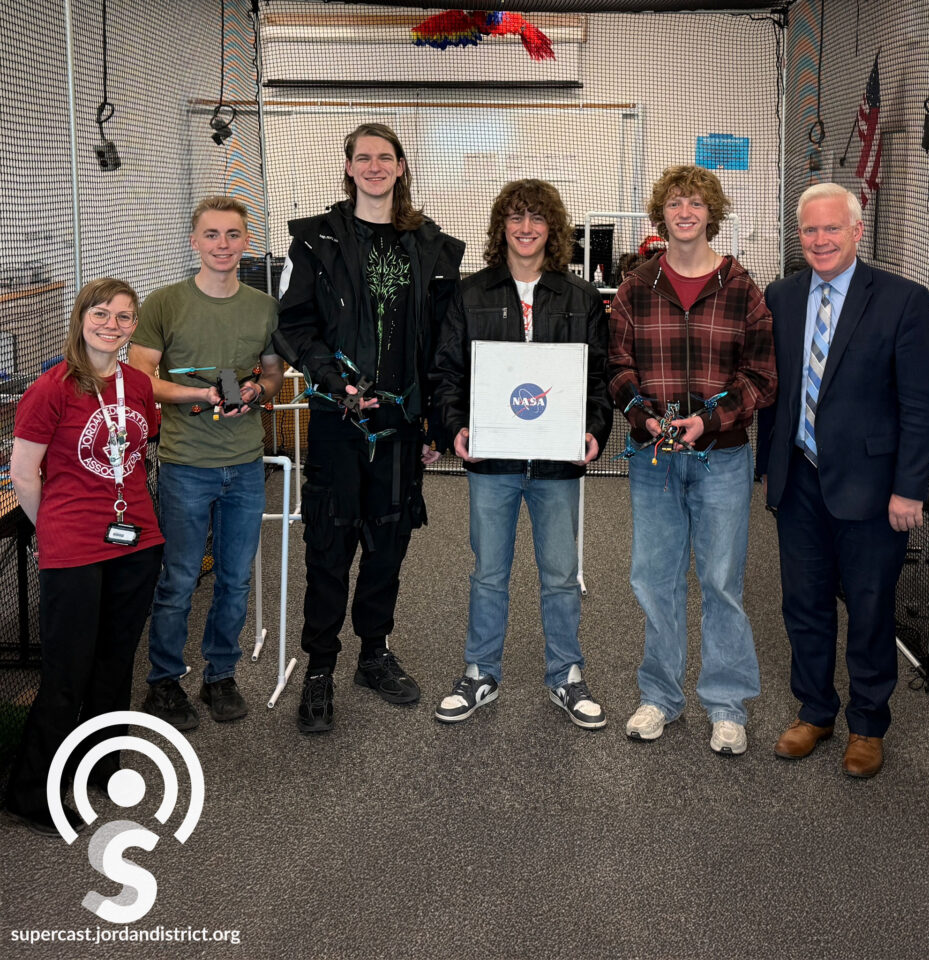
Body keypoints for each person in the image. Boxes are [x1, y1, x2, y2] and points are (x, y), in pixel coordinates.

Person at [274, 122, 464, 733]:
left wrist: (436, 421)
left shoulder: (433, 248)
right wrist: (333, 379)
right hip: (337, 419)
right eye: (364, 158)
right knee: (329, 540)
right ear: (349, 168)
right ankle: (321, 665)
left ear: (402, 167)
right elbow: (293, 326)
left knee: (388, 539)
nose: (375, 167)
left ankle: (373, 652)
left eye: (386, 157)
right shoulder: (316, 241)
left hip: (403, 424)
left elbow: (441, 344)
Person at [758, 183, 929, 778]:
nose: (820, 240)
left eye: (832, 229)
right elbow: (772, 392)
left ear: (858, 231)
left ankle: (868, 723)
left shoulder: (903, 300)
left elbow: (921, 405)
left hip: (872, 485)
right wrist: (767, 468)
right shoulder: (781, 297)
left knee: (868, 608)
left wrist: (910, 487)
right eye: (810, 230)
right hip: (800, 480)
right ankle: (814, 711)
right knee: (803, 605)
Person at [608, 164, 777, 755]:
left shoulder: (741, 288)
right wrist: (643, 416)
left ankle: (726, 705)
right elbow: (619, 370)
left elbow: (760, 378)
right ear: (663, 214)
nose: (685, 212)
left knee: (721, 582)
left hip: (722, 460)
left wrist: (710, 419)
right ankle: (660, 697)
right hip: (651, 457)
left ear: (712, 212)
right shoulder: (636, 286)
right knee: (654, 580)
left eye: (696, 203)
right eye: (675, 203)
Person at [431, 179, 612, 728]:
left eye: (537, 217)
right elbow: (447, 373)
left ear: (552, 228)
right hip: (494, 463)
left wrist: (595, 431)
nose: (526, 227)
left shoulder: (579, 297)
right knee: (489, 572)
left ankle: (566, 676)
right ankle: (480, 672)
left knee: (560, 575)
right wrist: (455, 427)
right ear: (501, 227)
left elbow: (599, 379)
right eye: (516, 216)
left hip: (556, 464)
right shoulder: (470, 294)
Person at [4, 278, 164, 835]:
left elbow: (137, 453)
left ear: (133, 326)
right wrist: (56, 529)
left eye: (124, 317)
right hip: (74, 549)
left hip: (137, 541)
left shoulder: (139, 385)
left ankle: (96, 761)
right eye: (102, 313)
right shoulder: (50, 389)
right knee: (67, 672)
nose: (112, 324)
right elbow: (23, 474)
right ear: (81, 318)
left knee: (116, 661)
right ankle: (30, 792)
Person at [128, 196, 282, 730]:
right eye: (212, 235)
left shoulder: (263, 308)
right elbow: (141, 379)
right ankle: (164, 682)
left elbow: (271, 375)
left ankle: (220, 675)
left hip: (244, 465)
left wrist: (253, 393)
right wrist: (197, 395)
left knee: (236, 579)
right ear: (195, 241)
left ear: (245, 242)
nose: (223, 245)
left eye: (233, 235)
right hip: (185, 467)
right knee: (179, 579)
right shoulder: (164, 304)